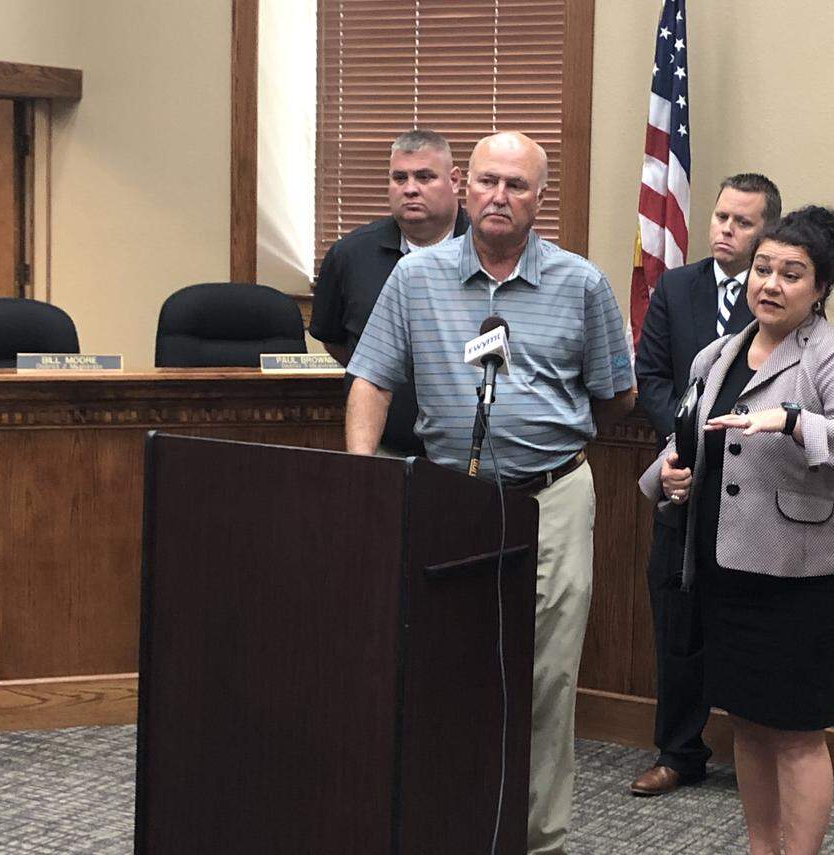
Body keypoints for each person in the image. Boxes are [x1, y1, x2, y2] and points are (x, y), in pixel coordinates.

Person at [345, 132, 636, 855]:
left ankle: (537, 841)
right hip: (451, 496)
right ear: (463, 188)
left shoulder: (581, 284)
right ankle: (452, 824)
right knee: (448, 665)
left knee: (547, 676)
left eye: (517, 185)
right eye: (487, 181)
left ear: (540, 198)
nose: (499, 196)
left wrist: (544, 434)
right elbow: (372, 378)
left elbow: (616, 396)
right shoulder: (415, 278)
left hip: (552, 496)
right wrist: (362, 477)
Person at [639, 206, 834, 855]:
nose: (771, 284)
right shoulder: (718, 353)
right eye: (762, 269)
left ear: (820, 287)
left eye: (791, 273)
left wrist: (794, 421)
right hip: (727, 571)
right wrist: (667, 474)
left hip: (807, 578)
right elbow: (689, 434)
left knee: (796, 733)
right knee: (748, 725)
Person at [631, 173, 781, 796]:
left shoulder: (782, 295)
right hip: (682, 477)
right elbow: (652, 377)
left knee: (750, 625)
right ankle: (679, 751)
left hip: (753, 480)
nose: (725, 230)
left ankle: (763, 753)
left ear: (767, 232)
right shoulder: (676, 286)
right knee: (677, 621)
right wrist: (684, 441)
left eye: (742, 222)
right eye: (721, 217)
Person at [310, 128, 468, 455]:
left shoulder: (489, 251)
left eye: (424, 177)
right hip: (385, 448)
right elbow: (337, 342)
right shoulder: (349, 255)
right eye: (400, 178)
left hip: (473, 455)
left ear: (454, 181)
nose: (410, 189)